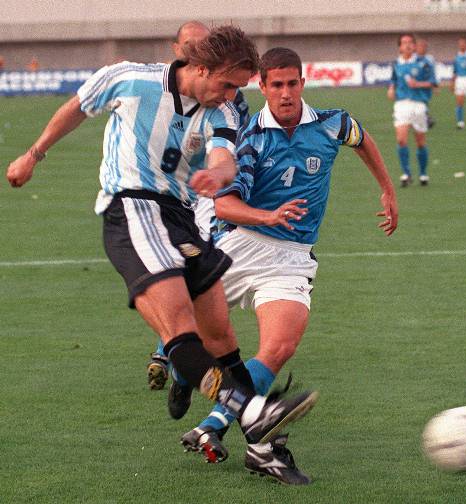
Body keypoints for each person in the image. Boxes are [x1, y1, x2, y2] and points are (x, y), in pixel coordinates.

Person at [6, 26, 318, 454]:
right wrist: (33, 154)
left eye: (238, 88)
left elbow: (224, 158)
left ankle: (258, 439)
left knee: (221, 337)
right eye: (227, 85)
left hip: (181, 219)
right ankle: (254, 416)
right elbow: (77, 107)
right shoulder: (129, 78)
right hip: (132, 209)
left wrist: (218, 174)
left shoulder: (223, 112)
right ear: (202, 68)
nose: (231, 96)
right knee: (180, 329)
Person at [171, 47, 398, 484]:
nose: (286, 93)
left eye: (292, 83)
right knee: (194, 343)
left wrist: (387, 188)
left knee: (279, 347)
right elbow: (226, 206)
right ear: (262, 87)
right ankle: (182, 373)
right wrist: (268, 216)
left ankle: (214, 425)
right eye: (276, 85)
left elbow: (362, 138)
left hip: (291, 257)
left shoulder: (332, 123)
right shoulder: (251, 139)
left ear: (303, 82)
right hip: (240, 246)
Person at [146, 21, 250, 390]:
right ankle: (173, 354)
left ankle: (175, 359)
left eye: (201, 43)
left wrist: (220, 173)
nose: (194, 48)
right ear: (175, 48)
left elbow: (232, 143)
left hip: (205, 196)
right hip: (162, 200)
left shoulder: (227, 96)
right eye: (188, 43)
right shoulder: (154, 87)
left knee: (196, 273)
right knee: (173, 274)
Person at [388, 33, 436, 187]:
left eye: (410, 42)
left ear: (414, 46)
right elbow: (394, 80)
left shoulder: (424, 63)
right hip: (401, 104)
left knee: (420, 142)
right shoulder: (396, 63)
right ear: (400, 47)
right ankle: (406, 173)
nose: (407, 45)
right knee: (401, 140)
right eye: (404, 43)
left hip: (418, 105)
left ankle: (423, 173)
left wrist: (418, 84)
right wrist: (391, 88)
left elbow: (433, 82)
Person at [415, 38, 438, 129]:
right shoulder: (412, 59)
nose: (423, 48)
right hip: (414, 86)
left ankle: (425, 118)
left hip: (425, 85)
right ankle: (425, 118)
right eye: (421, 46)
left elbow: (433, 73)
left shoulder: (429, 59)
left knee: (423, 102)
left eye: (425, 46)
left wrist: (435, 86)